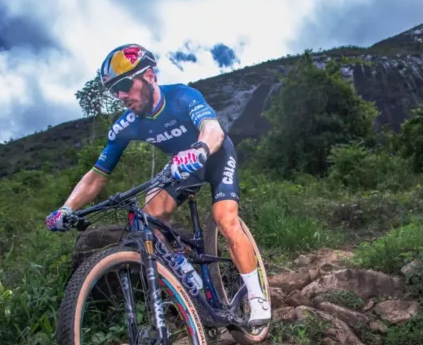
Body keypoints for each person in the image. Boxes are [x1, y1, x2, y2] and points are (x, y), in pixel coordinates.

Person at [45, 44, 270, 326]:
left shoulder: (181, 96)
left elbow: (213, 129)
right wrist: (66, 208)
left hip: (213, 155)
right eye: (115, 91)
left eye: (125, 85)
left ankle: (256, 295)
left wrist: (199, 149)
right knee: (148, 219)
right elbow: (97, 174)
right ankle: (184, 269)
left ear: (149, 76)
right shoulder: (127, 124)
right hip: (181, 166)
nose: (121, 96)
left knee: (225, 218)